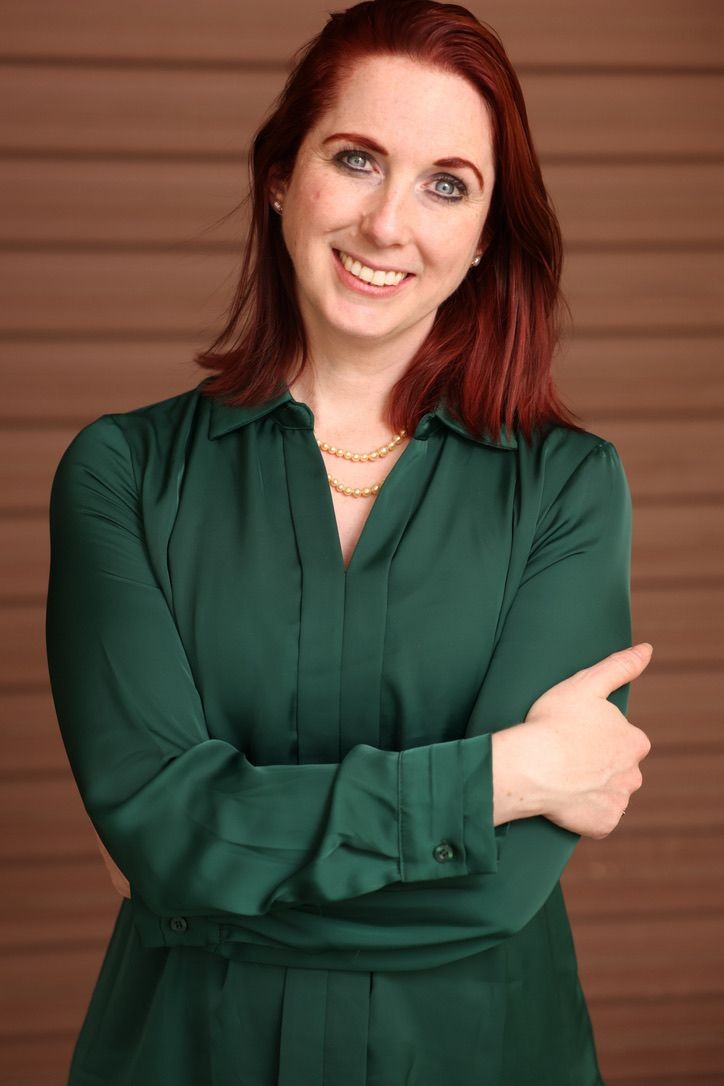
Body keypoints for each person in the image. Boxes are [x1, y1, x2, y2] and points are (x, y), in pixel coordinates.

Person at [45, 1, 653, 1083]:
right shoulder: (122, 475)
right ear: (282, 174)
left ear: (481, 238)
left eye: (445, 185)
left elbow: (495, 889)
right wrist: (501, 777)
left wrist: (211, 878)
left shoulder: (567, 489)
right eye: (357, 159)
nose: (387, 225)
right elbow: (165, 835)